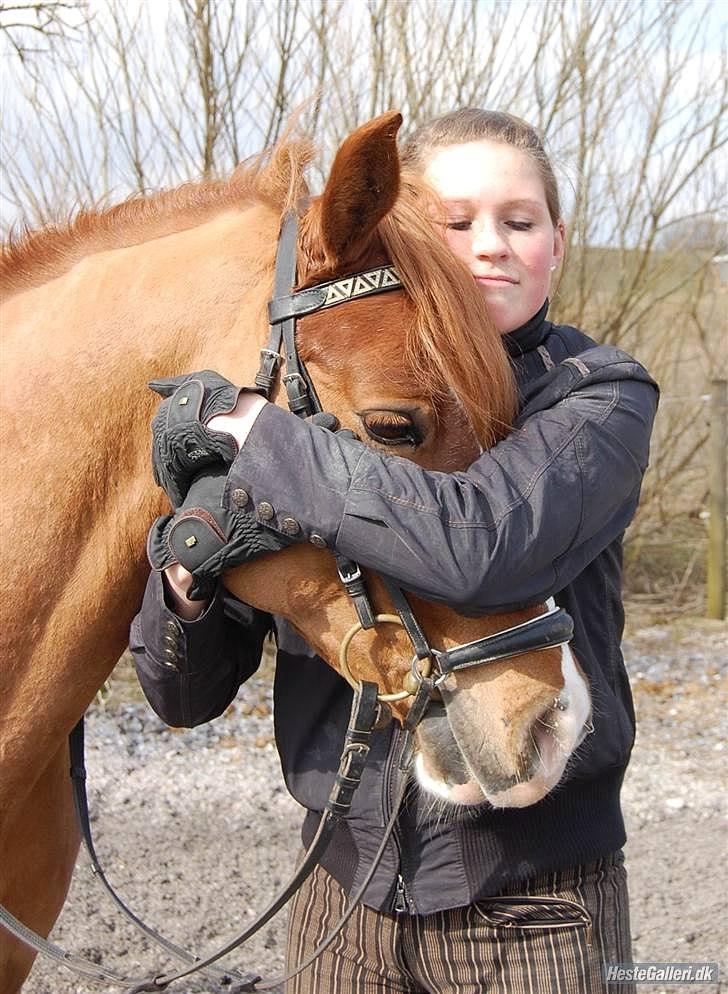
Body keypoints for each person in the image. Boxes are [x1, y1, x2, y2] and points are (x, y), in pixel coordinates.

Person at [130, 109, 658, 993]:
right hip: (341, 894)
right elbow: (183, 696)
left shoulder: (597, 394)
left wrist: (266, 440)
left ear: (558, 245)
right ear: (402, 242)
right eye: (455, 224)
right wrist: (188, 576)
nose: (488, 246)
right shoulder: (313, 399)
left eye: (518, 221)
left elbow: (482, 544)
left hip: (535, 906)